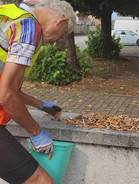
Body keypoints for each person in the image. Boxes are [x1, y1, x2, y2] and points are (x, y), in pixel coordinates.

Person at [0, 0, 75, 183]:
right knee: (41, 181)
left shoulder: (10, 14)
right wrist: (36, 132)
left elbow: (9, 89)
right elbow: (6, 95)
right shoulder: (29, 28)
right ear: (60, 21)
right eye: (62, 35)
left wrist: (42, 105)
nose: (55, 42)